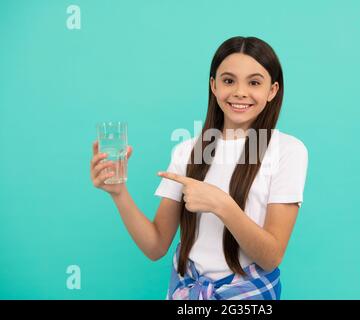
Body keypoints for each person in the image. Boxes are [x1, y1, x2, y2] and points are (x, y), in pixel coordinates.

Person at [90, 36, 308, 300]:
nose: (240, 92)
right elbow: (156, 245)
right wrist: (119, 193)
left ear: (272, 91)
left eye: (254, 82)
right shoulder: (187, 151)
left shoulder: (288, 150)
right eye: (229, 80)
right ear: (213, 86)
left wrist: (221, 204)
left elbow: (271, 257)